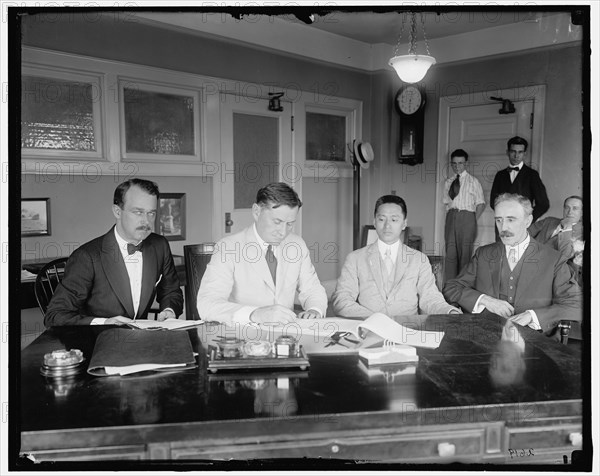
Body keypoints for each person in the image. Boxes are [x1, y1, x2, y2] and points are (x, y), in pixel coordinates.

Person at [44, 179, 183, 326]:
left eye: (151, 213)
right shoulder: (86, 257)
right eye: (138, 212)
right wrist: (105, 322)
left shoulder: (159, 245)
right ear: (117, 211)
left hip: (141, 341)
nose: (146, 221)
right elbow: (54, 316)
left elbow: (171, 291)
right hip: (97, 342)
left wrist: (169, 310)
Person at [443, 193, 581, 337]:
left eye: (511, 220)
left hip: (535, 344)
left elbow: (577, 304)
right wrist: (485, 300)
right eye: (499, 220)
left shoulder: (553, 259)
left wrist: (532, 315)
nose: (503, 228)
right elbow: (452, 288)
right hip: (485, 339)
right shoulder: (483, 254)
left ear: (528, 221)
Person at [197, 182, 327, 326]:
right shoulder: (228, 247)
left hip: (286, 337)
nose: (283, 232)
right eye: (277, 222)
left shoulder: (297, 244)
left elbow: (312, 289)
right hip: (243, 337)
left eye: (290, 224)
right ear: (256, 212)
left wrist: (315, 310)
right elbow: (207, 304)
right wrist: (254, 314)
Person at [332, 195, 461, 319]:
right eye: (381, 219)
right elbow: (342, 300)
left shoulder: (418, 260)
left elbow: (430, 297)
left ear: (404, 223)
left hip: (408, 330)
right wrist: (374, 319)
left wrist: (449, 311)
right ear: (374, 222)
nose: (387, 225)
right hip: (369, 329)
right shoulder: (355, 258)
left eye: (394, 220)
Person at [490, 136, 549, 239]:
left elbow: (543, 203)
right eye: (513, 151)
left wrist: (527, 219)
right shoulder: (500, 175)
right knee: (501, 252)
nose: (516, 156)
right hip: (502, 225)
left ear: (524, 153)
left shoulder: (532, 175)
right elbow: (493, 202)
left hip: (522, 226)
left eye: (520, 152)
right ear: (507, 152)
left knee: (520, 253)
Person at [442, 148, 486, 281]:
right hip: (451, 217)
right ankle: (449, 285)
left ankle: (462, 286)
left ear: (466, 164)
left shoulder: (473, 181)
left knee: (465, 252)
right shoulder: (448, 182)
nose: (457, 166)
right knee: (450, 252)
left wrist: (472, 219)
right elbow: (446, 203)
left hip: (467, 218)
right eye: (454, 163)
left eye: (460, 163)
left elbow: (481, 203)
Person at [528, 195, 584, 286]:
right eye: (567, 207)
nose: (570, 212)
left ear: (582, 212)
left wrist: (567, 228)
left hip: (549, 273)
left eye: (575, 208)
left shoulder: (583, 233)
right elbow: (524, 235)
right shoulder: (549, 221)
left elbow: (565, 255)